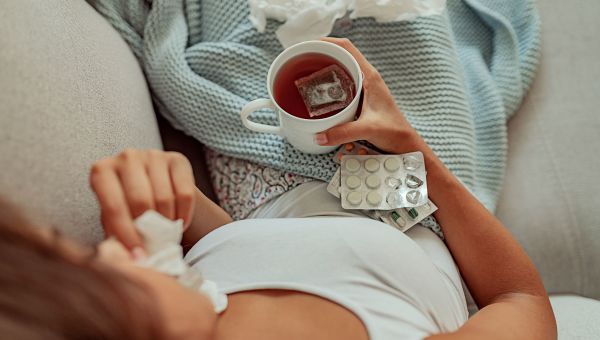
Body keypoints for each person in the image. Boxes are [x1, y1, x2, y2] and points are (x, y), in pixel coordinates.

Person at [0, 38, 556, 339]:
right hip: (419, 212)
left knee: (244, 41)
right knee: (410, 37)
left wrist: (178, 198)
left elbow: (251, 251)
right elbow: (519, 299)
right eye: (95, 273)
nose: (109, 249)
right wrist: (415, 152)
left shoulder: (195, 306)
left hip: (275, 194)